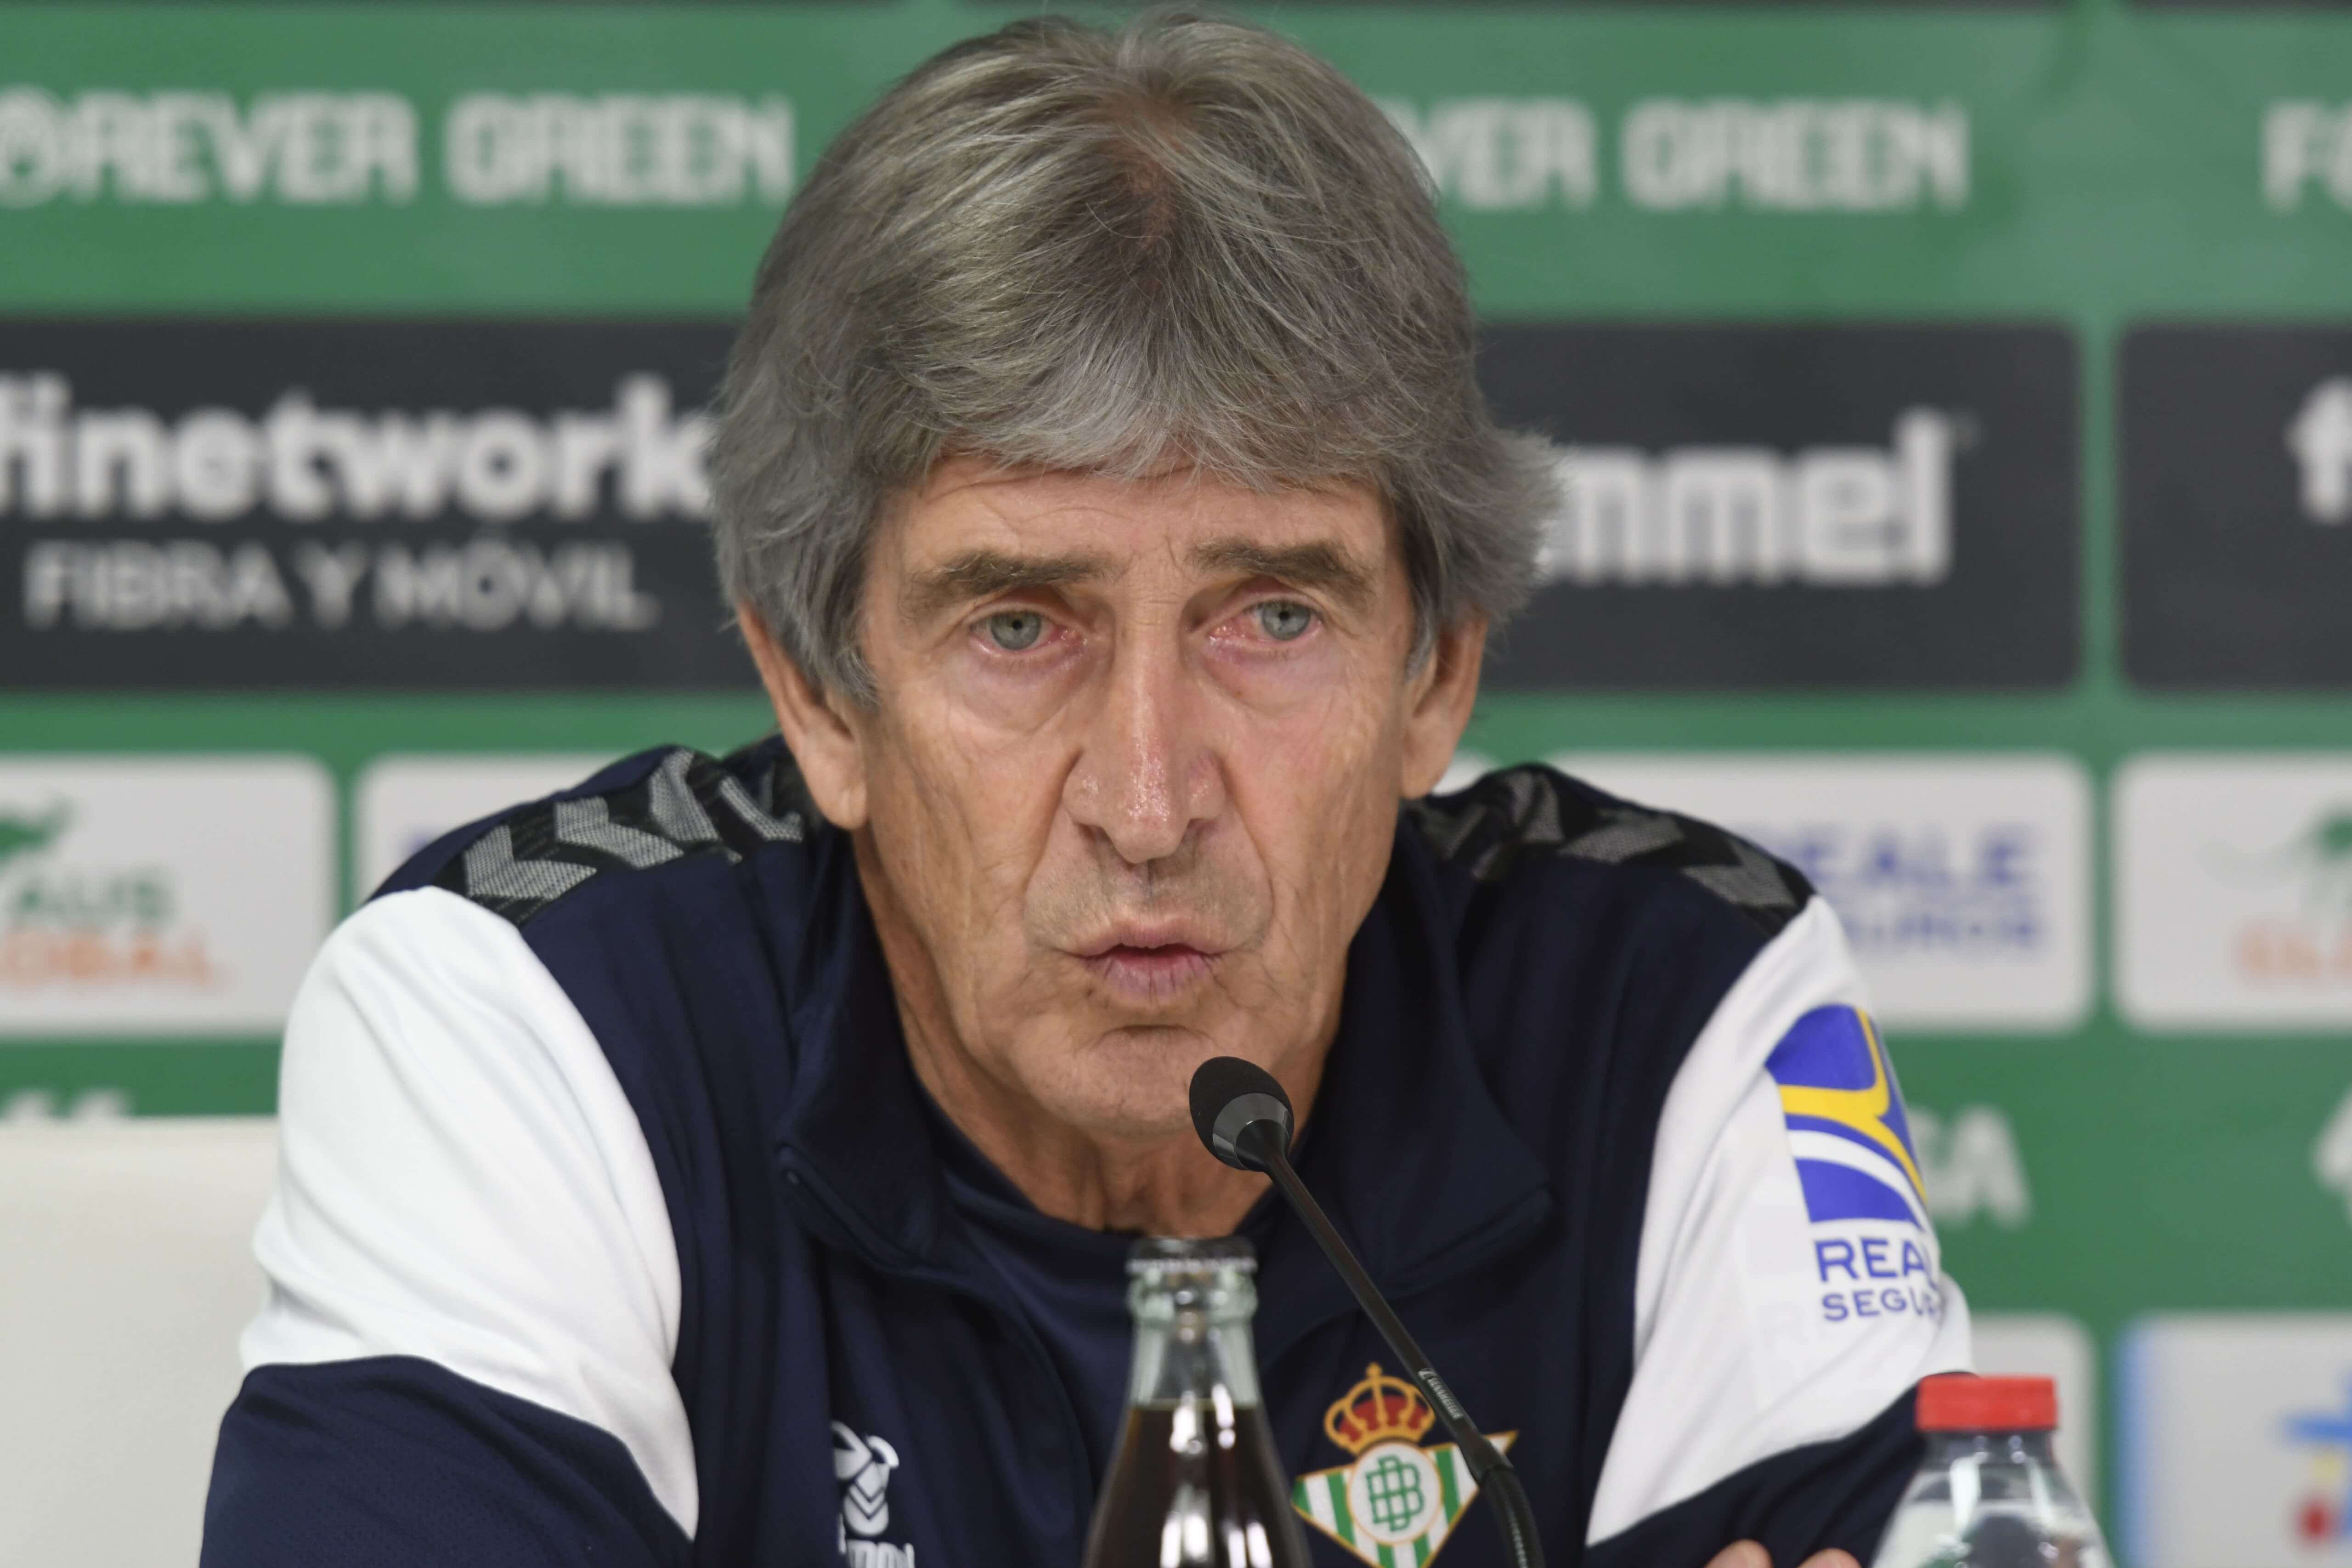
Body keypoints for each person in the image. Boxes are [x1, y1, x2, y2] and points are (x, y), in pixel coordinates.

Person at [201, 13, 1969, 1568]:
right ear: (819, 689)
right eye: (1021, 623)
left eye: (1272, 616)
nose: (1146, 798)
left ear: (1436, 677)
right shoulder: (526, 1015)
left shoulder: (1681, 1007)